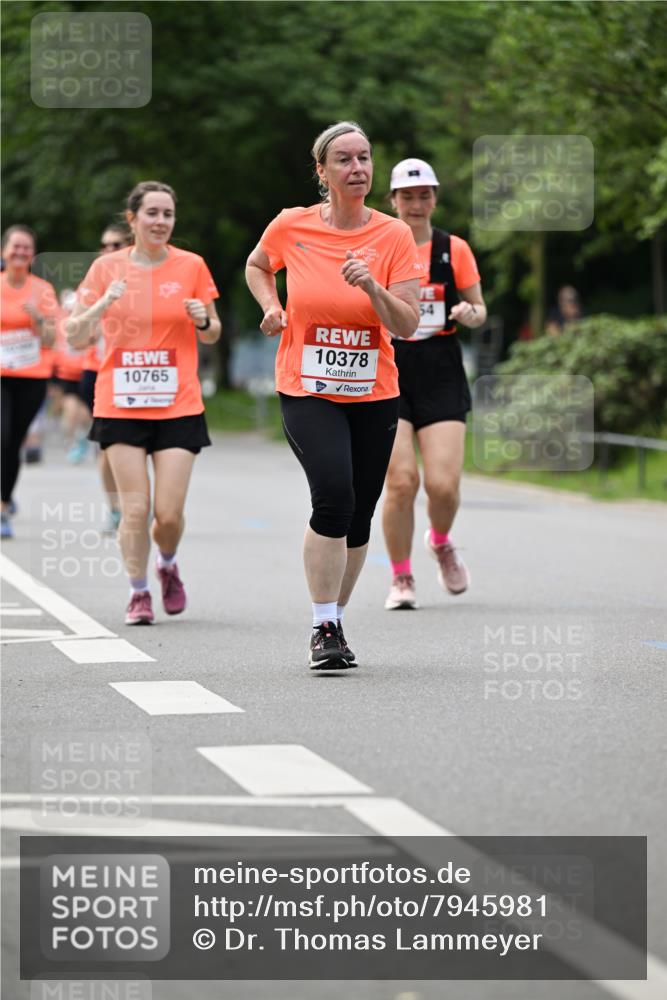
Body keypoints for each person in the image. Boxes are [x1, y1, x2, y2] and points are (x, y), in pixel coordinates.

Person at [245, 121, 421, 670]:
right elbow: (256, 265)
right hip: (307, 385)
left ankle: (334, 618)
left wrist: (371, 287)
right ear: (322, 172)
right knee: (333, 495)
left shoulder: (394, 236)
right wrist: (271, 306)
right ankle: (324, 624)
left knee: (361, 512)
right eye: (343, 159)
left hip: (373, 390)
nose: (358, 168)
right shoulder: (292, 226)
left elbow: (409, 323)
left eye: (364, 158)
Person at [65, 181, 221, 624]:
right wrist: (102, 306)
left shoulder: (191, 265)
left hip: (178, 404)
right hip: (120, 403)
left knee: (167, 515)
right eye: (152, 213)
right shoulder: (105, 269)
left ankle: (167, 564)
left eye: (168, 214)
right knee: (135, 508)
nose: (161, 222)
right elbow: (75, 335)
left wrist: (204, 319)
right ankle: (138, 592)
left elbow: (213, 332)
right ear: (132, 219)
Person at [381, 159, 487, 610]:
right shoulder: (379, 245)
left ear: (435, 198)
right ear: (393, 201)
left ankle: (440, 540)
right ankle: (401, 577)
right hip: (390, 364)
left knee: (443, 485)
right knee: (402, 481)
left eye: (424, 195)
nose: (416, 204)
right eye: (407, 196)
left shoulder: (453, 248)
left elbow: (480, 309)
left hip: (441, 364)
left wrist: (469, 314)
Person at [1, 225, 58, 539]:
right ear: (3, 252)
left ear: (32, 255)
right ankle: (1, 505)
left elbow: (51, 339)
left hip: (32, 378)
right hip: (1, 377)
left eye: (26, 248)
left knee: (13, 443)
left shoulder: (43, 290)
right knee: (2, 435)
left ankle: (5, 499)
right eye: (15, 247)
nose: (20, 253)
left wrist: (37, 318)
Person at [79, 224, 133, 531]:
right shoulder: (94, 283)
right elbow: (75, 335)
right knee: (107, 448)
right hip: (98, 374)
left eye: (116, 245)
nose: (109, 251)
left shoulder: (147, 282)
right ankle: (115, 508)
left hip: (139, 375)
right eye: (105, 245)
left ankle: (138, 503)